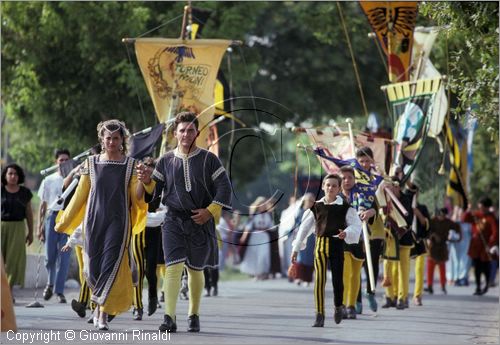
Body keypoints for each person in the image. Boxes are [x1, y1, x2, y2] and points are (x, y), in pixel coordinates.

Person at [137, 111, 232, 333]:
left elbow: (224, 187)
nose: (186, 134)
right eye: (182, 131)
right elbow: (154, 193)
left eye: (190, 130)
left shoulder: (210, 159)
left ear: (197, 132)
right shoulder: (165, 160)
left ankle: (193, 314)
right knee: (173, 268)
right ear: (174, 133)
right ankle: (169, 317)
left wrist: (210, 211)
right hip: (172, 220)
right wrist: (147, 182)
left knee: (195, 269)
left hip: (201, 220)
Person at [55, 119, 147, 331]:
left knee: (110, 266)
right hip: (93, 223)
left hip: (119, 223)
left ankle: (103, 314)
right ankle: (98, 306)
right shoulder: (91, 163)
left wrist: (144, 180)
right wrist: (64, 221)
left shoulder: (131, 165)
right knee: (92, 270)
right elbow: (80, 196)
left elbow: (136, 196)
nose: (112, 142)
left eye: (116, 138)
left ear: (122, 140)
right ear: (102, 140)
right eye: (108, 138)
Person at [291, 174, 361, 327]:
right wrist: (296, 249)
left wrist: (347, 232)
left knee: (337, 281)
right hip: (320, 246)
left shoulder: (345, 207)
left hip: (337, 245)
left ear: (339, 188)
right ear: (323, 186)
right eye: (328, 185)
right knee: (319, 281)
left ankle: (338, 306)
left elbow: (356, 225)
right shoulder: (315, 207)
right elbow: (304, 228)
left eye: (334, 186)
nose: (330, 188)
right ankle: (319, 314)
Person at [38, 148, 71, 303]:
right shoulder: (48, 180)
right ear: (56, 162)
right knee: (50, 256)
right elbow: (43, 205)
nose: (63, 162)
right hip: (52, 217)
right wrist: (40, 226)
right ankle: (50, 283)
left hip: (67, 218)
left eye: (66, 160)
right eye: (61, 160)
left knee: (64, 257)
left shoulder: (74, 178)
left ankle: (59, 291)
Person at [1, 164, 34, 291]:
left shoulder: (25, 193)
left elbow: (29, 214)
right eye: (10, 174)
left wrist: (30, 233)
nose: (13, 176)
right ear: (5, 175)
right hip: (2, 226)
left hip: (18, 228)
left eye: (16, 174)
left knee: (13, 261)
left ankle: (8, 292)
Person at [425, 208, 461, 295]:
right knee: (430, 267)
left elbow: (458, 228)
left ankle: (443, 286)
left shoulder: (448, 222)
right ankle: (429, 286)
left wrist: (459, 237)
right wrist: (433, 235)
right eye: (440, 215)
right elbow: (426, 231)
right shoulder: (432, 221)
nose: (442, 217)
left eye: (444, 215)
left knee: (442, 268)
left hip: (442, 247)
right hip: (432, 247)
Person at [468, 197, 498, 296]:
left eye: (482, 206)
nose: (480, 208)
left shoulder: (491, 218)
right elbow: (465, 219)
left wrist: (490, 245)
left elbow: (495, 233)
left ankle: (486, 286)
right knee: (477, 267)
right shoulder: (477, 215)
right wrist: (468, 210)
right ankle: (478, 287)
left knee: (485, 268)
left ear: (486, 207)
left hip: (485, 247)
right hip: (476, 246)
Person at [238, 196, 273, 280]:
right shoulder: (254, 215)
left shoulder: (269, 215)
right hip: (255, 237)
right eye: (261, 204)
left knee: (263, 255)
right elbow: (248, 226)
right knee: (254, 255)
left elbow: (272, 227)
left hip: (264, 237)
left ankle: (263, 272)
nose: (263, 206)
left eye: (264, 204)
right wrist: (244, 236)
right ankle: (256, 273)